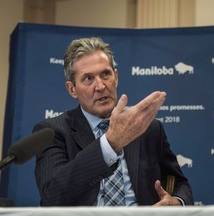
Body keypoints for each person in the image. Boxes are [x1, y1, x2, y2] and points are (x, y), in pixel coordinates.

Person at [33, 37, 194, 206]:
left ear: (115, 77)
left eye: (105, 74)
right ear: (72, 89)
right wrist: (110, 144)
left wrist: (176, 202)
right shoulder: (52, 132)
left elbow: (179, 183)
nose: (101, 86)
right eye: (88, 78)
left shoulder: (147, 127)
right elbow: (52, 196)